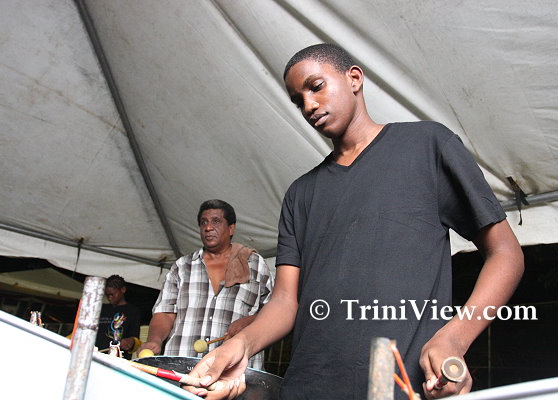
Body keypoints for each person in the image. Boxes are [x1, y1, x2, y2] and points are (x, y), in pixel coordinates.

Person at [183, 44, 525, 400]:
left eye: (316, 86)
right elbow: (285, 301)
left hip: (397, 387)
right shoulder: (300, 194)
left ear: (354, 79)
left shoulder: (427, 146)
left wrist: (454, 337)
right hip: (307, 389)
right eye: (298, 101)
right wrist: (239, 346)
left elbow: (505, 254)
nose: (309, 105)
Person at [139, 199, 274, 370]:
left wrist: (250, 321)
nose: (208, 227)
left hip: (233, 371)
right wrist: (154, 340)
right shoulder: (182, 266)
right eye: (204, 222)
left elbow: (274, 312)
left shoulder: (253, 264)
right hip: (180, 367)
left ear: (231, 228)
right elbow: (165, 313)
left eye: (216, 221)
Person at [96, 275, 141, 360]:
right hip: (96, 355)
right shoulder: (101, 308)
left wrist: (131, 341)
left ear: (123, 290)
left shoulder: (132, 311)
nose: (109, 298)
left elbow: (135, 339)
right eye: (107, 295)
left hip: (118, 359)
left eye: (112, 294)